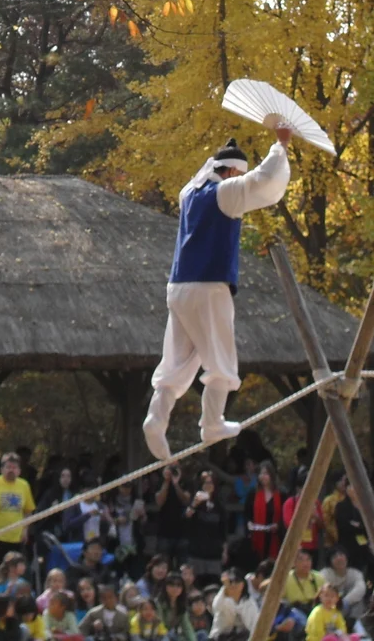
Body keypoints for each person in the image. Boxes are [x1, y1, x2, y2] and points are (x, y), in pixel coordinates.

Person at [142, 130, 293, 460]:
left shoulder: (188, 193)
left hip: (179, 287)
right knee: (222, 360)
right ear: (232, 171)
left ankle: (156, 418)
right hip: (210, 286)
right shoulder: (226, 192)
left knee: (177, 360)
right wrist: (280, 145)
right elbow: (264, 179)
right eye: (238, 172)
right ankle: (212, 424)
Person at [0, 454, 35, 557]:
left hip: (16, 539)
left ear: (19, 471)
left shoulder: (24, 485)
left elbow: (28, 511)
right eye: (8, 467)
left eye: (14, 468)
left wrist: (25, 530)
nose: (11, 470)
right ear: (1, 469)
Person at [184, 473, 227, 579]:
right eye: (205, 483)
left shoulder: (219, 506)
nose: (208, 485)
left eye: (210, 483)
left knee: (213, 582)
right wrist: (195, 503)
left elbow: (223, 531)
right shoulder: (195, 503)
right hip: (196, 551)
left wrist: (225, 551)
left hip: (214, 553)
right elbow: (186, 517)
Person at [243, 463, 285, 566]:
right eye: (261, 474)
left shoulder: (281, 494)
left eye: (266, 473)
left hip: (275, 537)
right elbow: (247, 513)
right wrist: (249, 523)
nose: (263, 476)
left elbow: (285, 516)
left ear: (272, 475)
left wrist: (278, 525)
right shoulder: (253, 493)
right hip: (257, 536)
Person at [207, 569, 256, 641]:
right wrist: (225, 589)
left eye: (237, 581)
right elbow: (216, 608)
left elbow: (253, 625)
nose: (234, 585)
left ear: (243, 584)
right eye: (231, 582)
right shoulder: (223, 597)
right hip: (220, 637)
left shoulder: (249, 602)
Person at [318, 550, 365, 622]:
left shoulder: (355, 573)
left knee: (359, 602)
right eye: (335, 557)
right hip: (331, 606)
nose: (339, 558)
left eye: (341, 555)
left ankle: (357, 625)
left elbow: (361, 588)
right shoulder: (325, 573)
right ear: (330, 561)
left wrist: (345, 601)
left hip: (348, 604)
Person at [281, 550, 322, 615]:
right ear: (293, 563)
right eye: (301, 560)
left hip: (315, 610)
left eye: (308, 559)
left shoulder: (319, 577)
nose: (305, 563)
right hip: (294, 611)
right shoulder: (285, 578)